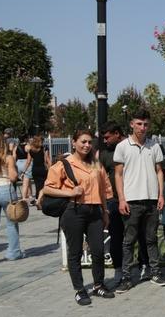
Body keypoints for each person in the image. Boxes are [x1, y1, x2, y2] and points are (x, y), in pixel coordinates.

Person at [43, 130, 115, 305]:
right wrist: (70, 192)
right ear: (74, 143)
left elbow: (104, 190)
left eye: (90, 142)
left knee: (98, 250)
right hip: (73, 211)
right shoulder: (64, 164)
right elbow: (47, 188)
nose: (87, 145)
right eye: (83, 142)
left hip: (95, 211)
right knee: (75, 252)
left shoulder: (96, 164)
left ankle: (98, 285)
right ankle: (79, 290)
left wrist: (105, 211)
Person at [113, 109, 165, 293]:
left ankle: (155, 272)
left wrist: (160, 195)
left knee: (151, 238)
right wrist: (122, 199)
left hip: (151, 200)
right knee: (129, 241)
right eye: (139, 124)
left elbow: (159, 171)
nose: (142, 127)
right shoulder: (122, 146)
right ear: (132, 124)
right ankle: (127, 277)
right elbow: (118, 174)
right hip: (131, 201)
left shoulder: (154, 146)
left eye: (145, 124)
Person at [98, 122, 147, 281]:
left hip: (137, 198)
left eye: (107, 137)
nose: (105, 141)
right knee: (116, 236)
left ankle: (144, 264)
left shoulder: (135, 147)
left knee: (141, 234)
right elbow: (101, 178)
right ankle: (119, 268)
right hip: (114, 201)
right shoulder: (105, 154)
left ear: (117, 134)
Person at [0, 134, 22, 261]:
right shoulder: (7, 158)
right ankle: (13, 253)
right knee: (12, 223)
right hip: (5, 190)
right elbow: (13, 177)